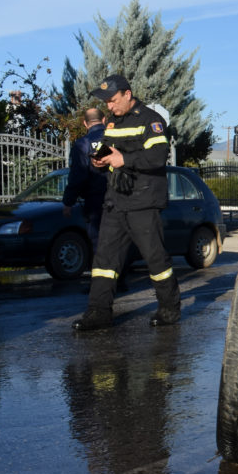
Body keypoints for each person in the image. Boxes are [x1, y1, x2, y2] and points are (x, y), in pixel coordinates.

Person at [72, 74, 181, 331]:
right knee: (104, 261)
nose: (109, 107)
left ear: (127, 94)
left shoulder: (151, 121)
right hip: (115, 202)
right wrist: (99, 160)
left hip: (143, 202)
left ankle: (169, 309)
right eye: (106, 103)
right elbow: (108, 151)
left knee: (155, 259)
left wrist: (125, 160)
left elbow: (157, 156)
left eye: (112, 100)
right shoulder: (112, 123)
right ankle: (98, 312)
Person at [62, 108, 107, 247]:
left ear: (85, 123)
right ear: (104, 120)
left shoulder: (83, 144)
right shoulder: (115, 139)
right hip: (120, 198)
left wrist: (68, 202)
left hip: (95, 202)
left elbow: (78, 175)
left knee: (98, 243)